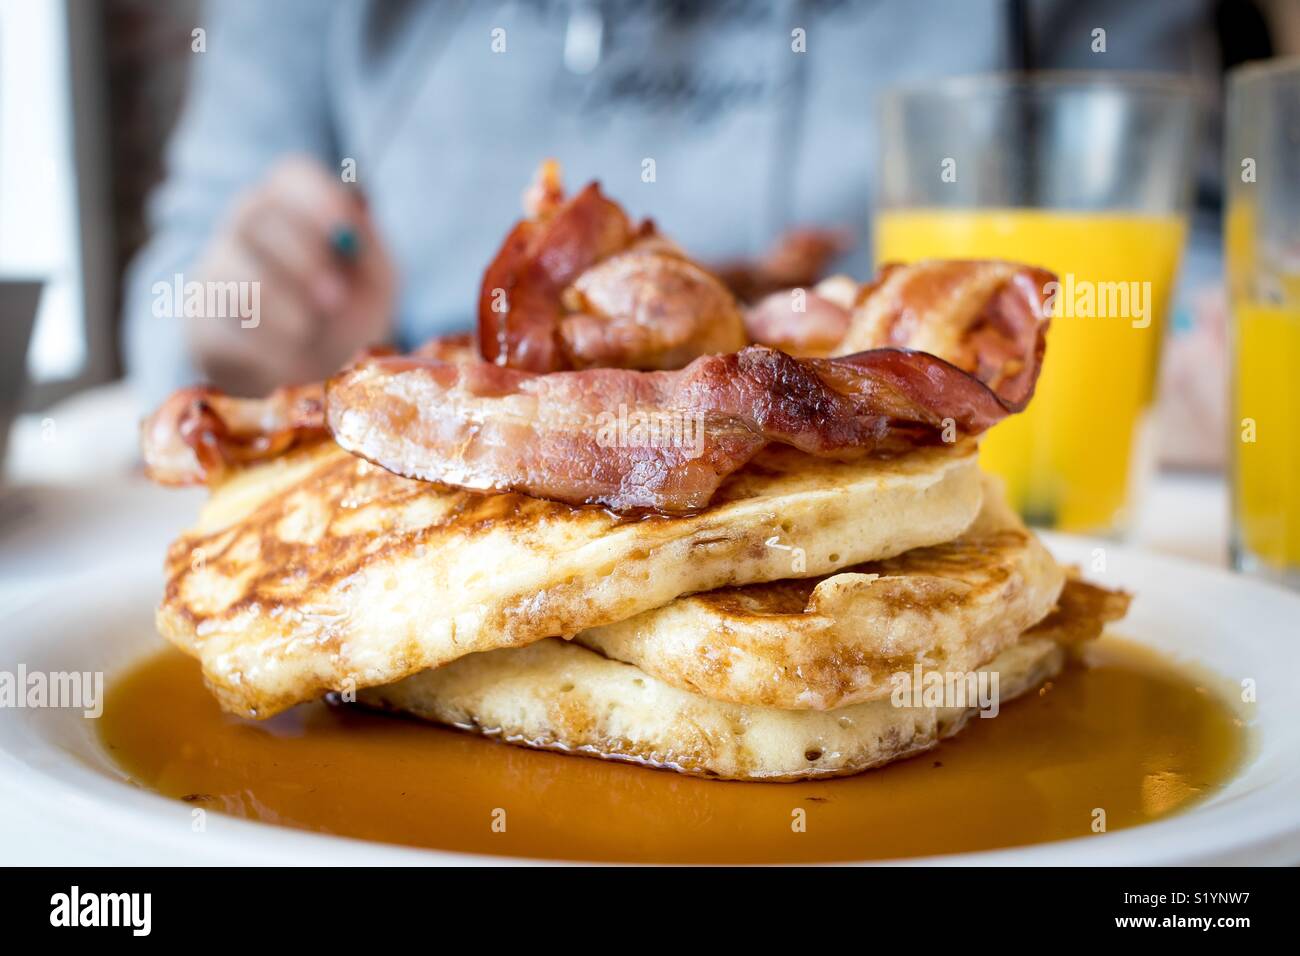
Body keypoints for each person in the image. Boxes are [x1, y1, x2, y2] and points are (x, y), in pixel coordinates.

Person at [123, 0, 1218, 402]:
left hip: (975, 468)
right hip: (452, 488)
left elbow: (1196, 248)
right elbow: (174, 296)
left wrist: (1187, 339)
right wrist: (242, 317)